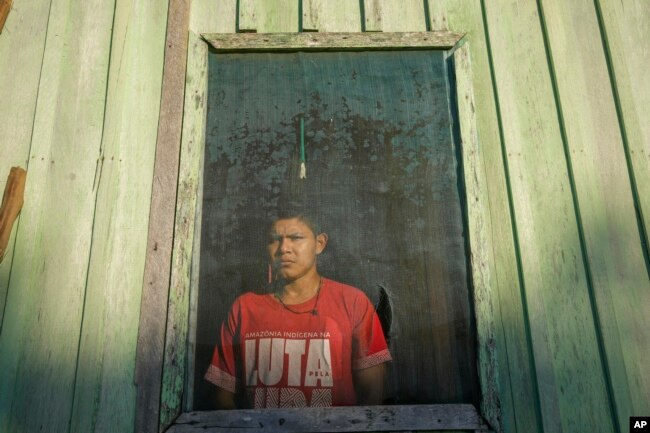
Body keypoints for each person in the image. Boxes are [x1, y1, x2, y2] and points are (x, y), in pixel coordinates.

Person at [204, 210, 392, 409]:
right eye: (274, 240)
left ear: (319, 243)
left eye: (295, 238)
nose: (284, 248)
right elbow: (221, 397)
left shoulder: (352, 302)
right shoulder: (244, 308)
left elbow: (373, 395)